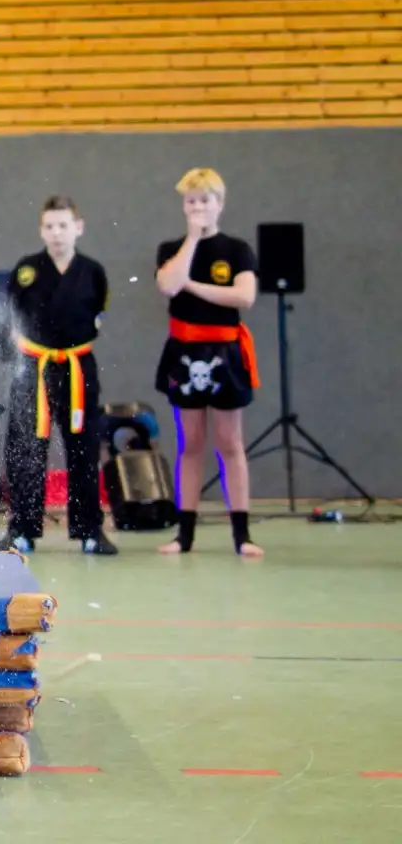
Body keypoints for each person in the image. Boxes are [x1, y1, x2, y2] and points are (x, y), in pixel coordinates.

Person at [0, 196, 116, 555]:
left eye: (63, 225)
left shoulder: (92, 272)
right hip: (35, 367)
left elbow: (98, 315)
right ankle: (22, 530)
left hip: (76, 367)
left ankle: (90, 530)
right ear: (41, 230)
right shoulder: (27, 269)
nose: (57, 233)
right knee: (26, 449)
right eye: (49, 226)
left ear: (79, 228)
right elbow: (12, 315)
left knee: (84, 448)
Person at [154, 168, 263, 557]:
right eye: (191, 201)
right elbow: (169, 284)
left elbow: (244, 296)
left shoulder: (237, 249)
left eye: (205, 200)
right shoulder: (172, 249)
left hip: (225, 352)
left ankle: (242, 535)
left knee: (230, 442)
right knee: (191, 443)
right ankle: (184, 535)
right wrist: (193, 239)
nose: (198, 207)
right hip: (184, 352)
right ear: (184, 206)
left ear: (220, 203)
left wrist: (194, 287)